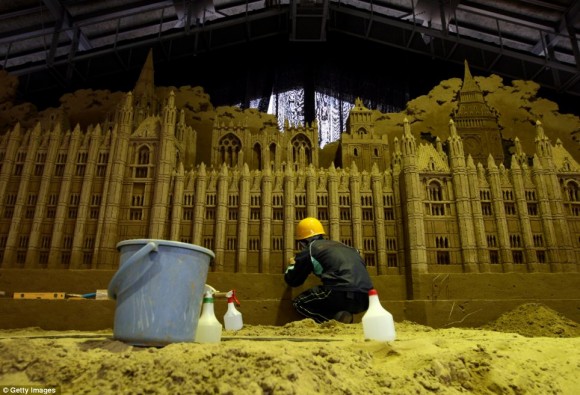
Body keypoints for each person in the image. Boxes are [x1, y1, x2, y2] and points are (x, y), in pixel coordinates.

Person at [284, 217, 374, 324]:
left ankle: (333, 321)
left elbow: (293, 280)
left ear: (304, 241)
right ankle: (342, 317)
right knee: (334, 302)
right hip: (366, 298)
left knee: (299, 303)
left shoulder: (311, 248)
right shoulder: (347, 247)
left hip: (338, 293)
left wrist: (292, 264)